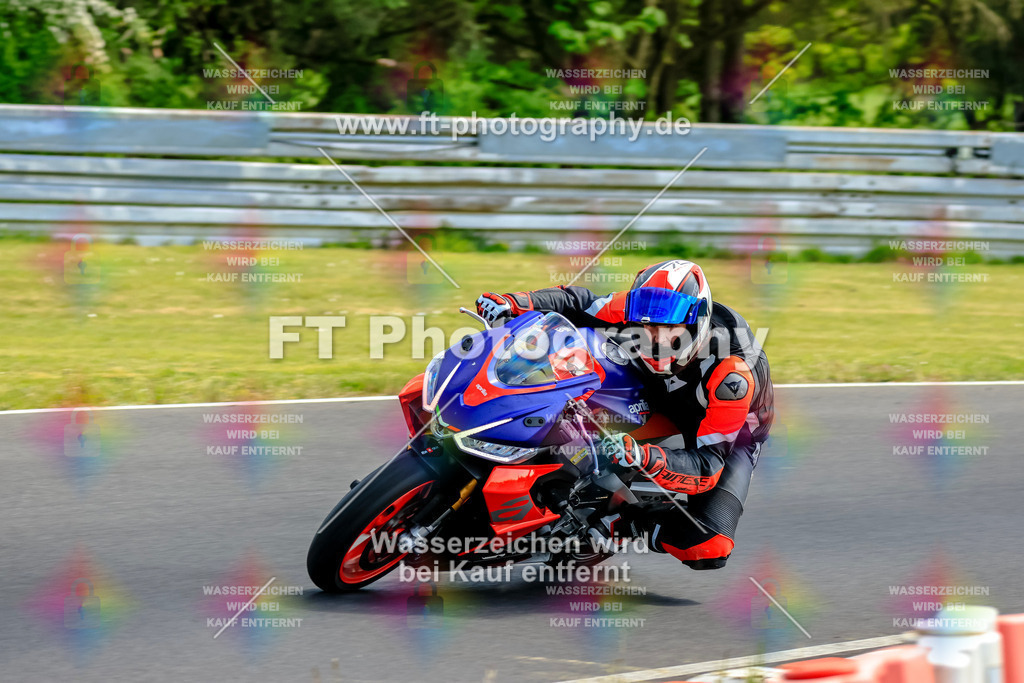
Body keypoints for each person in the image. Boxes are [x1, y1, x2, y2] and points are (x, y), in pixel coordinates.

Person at [476, 259, 774, 570]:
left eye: (667, 328)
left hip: (725, 427)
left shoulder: (733, 376)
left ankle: (625, 524)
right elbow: (580, 302)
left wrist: (644, 456)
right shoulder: (647, 305)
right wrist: (514, 302)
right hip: (656, 385)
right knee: (578, 355)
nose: (654, 337)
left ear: (695, 323)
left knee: (709, 545)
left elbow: (708, 468)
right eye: (648, 325)